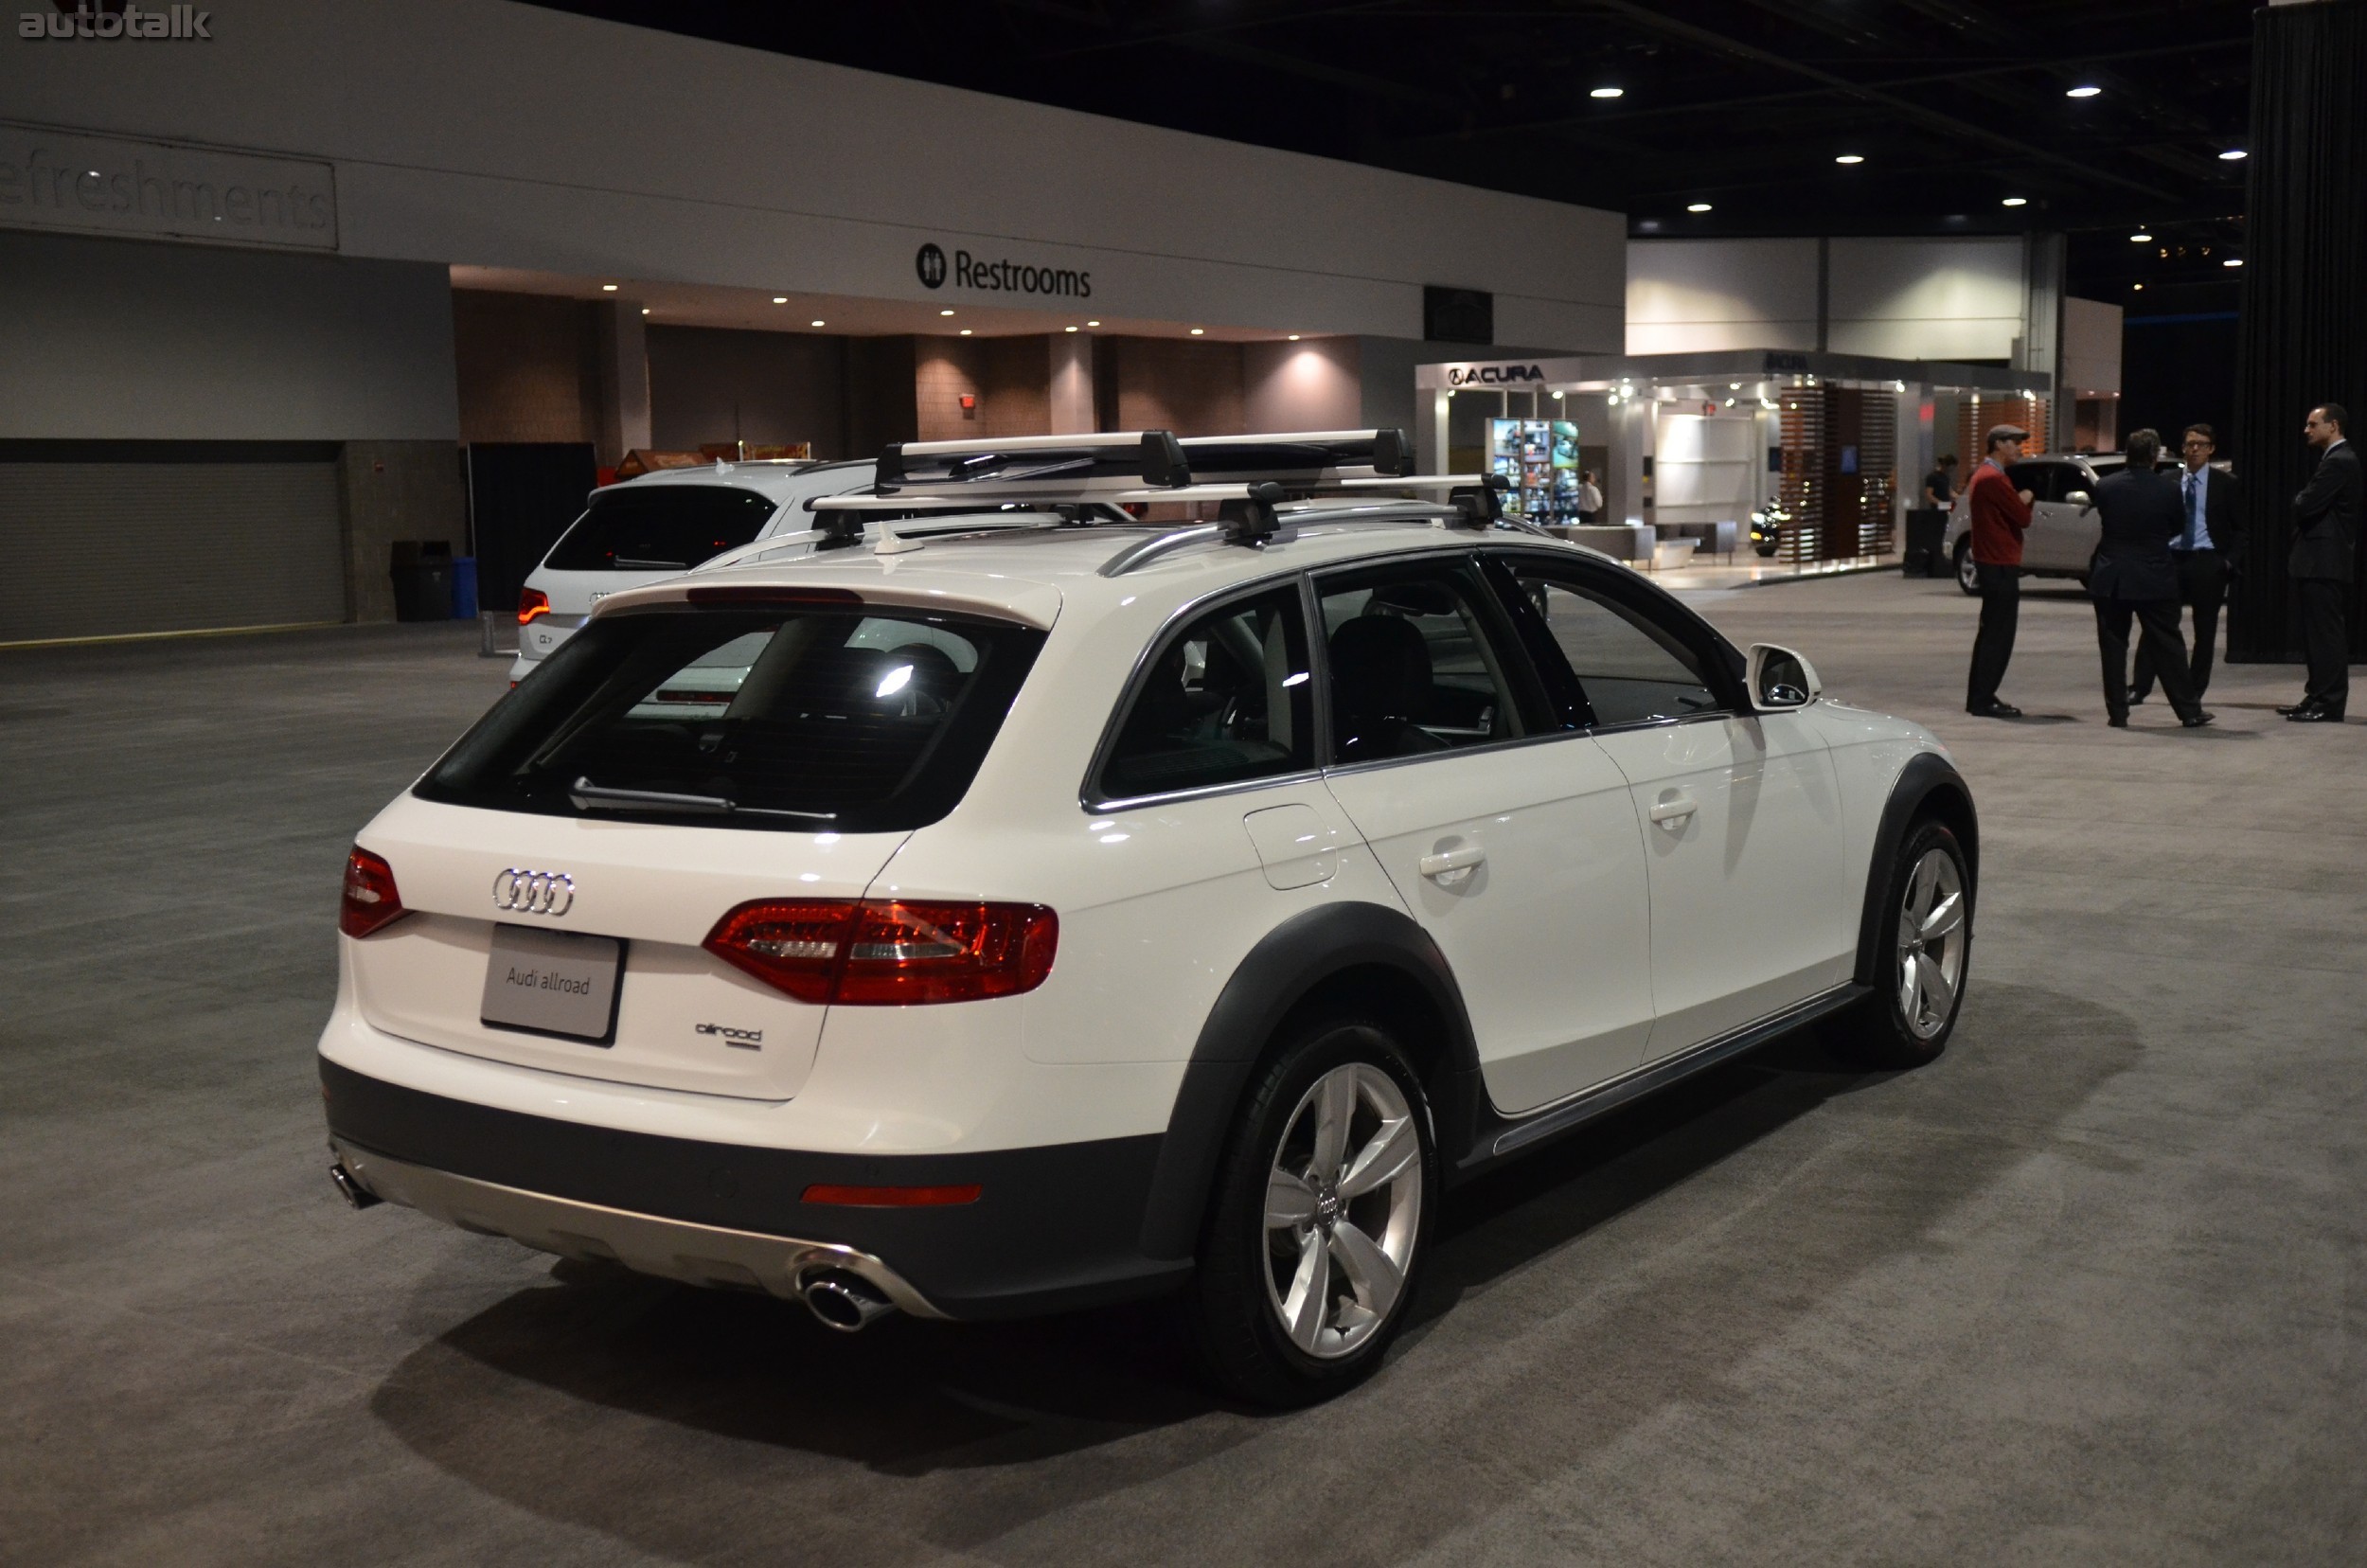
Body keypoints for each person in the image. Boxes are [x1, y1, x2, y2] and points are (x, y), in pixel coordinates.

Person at [2087, 429, 2212, 729]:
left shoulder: (2105, 486)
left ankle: (2118, 714)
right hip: (2154, 574)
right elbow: (2177, 526)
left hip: (2112, 574)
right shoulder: (2168, 490)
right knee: (2168, 645)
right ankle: (2189, 711)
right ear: (2155, 455)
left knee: (2113, 647)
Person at [2130, 423, 2244, 705]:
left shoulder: (2226, 483)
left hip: (2207, 561)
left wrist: (2227, 562)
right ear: (2182, 447)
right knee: (2156, 625)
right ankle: (2140, 686)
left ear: (2211, 449)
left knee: (2204, 632)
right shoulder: (2167, 480)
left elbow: (2242, 529)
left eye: (2201, 444)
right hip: (2171, 560)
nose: (2195, 449)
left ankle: (2193, 691)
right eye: (2190, 444)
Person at [2281, 403, 2358, 722]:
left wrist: (2300, 499)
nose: (2307, 430)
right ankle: (2317, 696)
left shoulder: (2339, 461)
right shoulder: (2335, 460)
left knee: (2325, 634)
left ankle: (2328, 702)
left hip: (2324, 560)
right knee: (2316, 634)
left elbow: (2306, 504)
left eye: (2313, 424)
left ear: (2334, 426)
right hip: (2319, 560)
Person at [1964, 424, 2035, 718]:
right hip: (1999, 563)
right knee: (1999, 634)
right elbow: (2023, 517)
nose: (2019, 449)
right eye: (2015, 443)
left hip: (1992, 562)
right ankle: (1983, 698)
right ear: (1998, 445)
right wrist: (2026, 498)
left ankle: (1979, 696)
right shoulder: (1993, 479)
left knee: (1990, 631)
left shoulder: (1985, 476)